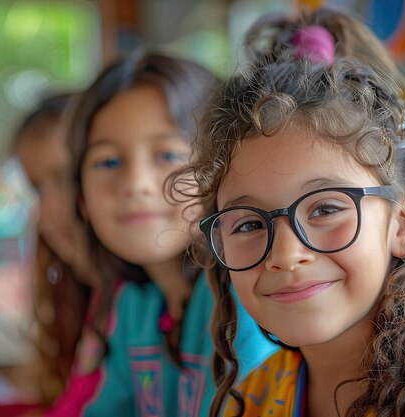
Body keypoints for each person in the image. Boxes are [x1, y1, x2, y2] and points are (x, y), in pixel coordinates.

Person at [173, 7, 405, 417]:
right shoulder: (256, 397)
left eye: (325, 209)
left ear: (404, 222)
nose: (285, 255)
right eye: (248, 223)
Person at [45, 51, 275, 417]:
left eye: (167, 155)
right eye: (109, 162)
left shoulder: (242, 294)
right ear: (82, 198)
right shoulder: (134, 305)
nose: (136, 185)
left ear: (222, 171)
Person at [12, 93, 97, 405]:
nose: (47, 210)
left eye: (65, 179)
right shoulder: (88, 299)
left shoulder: (140, 302)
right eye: (37, 188)